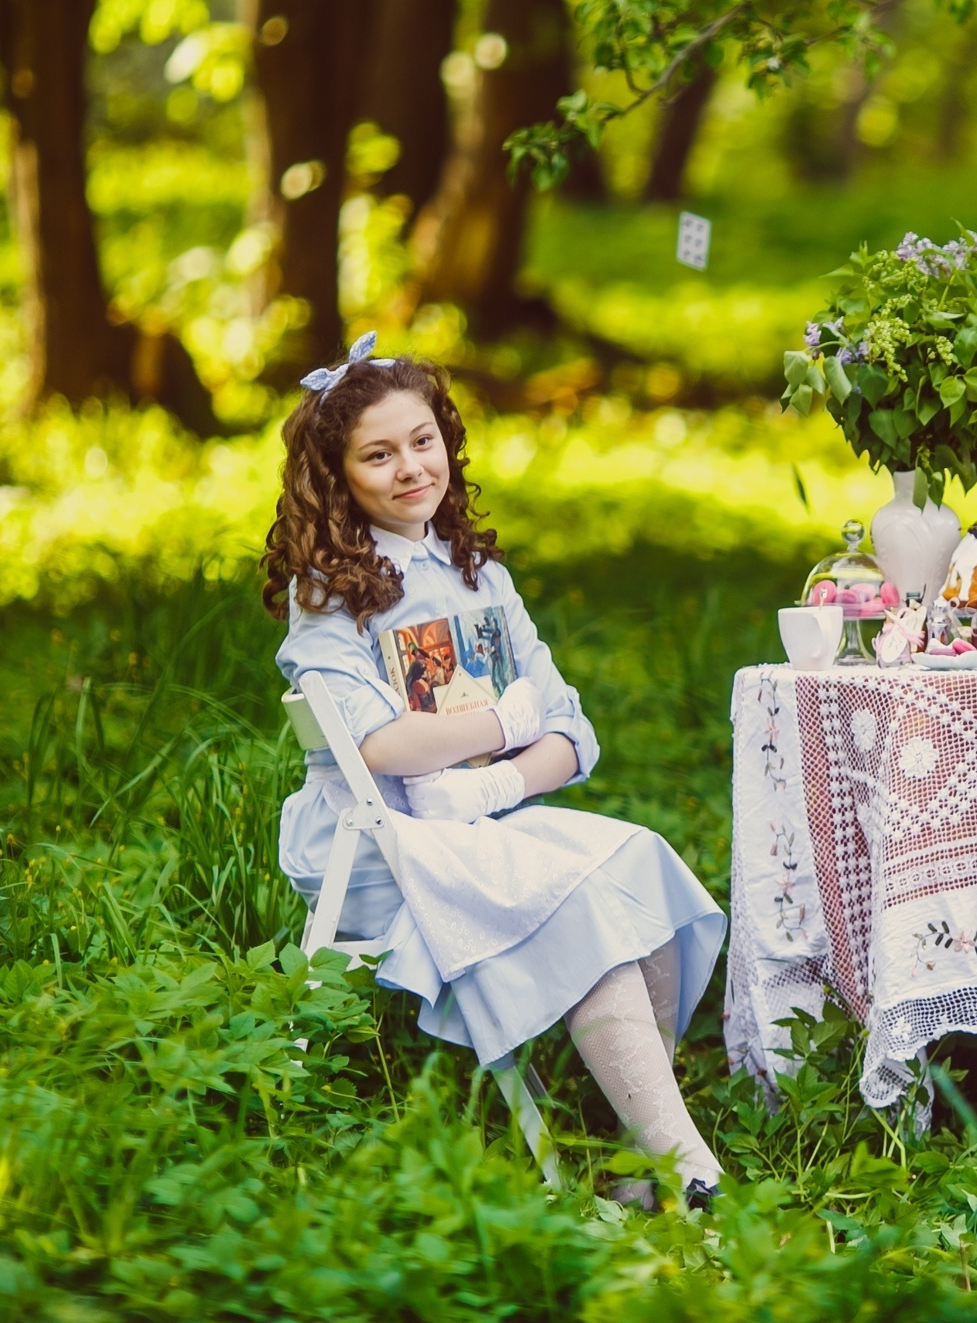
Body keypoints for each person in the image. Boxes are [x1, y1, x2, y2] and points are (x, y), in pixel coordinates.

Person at [263, 334, 726, 1208]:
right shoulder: (332, 589)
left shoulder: (481, 576)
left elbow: (568, 732)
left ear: (447, 437)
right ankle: (690, 1170)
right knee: (582, 894)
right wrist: (498, 722)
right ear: (339, 477)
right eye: (377, 454)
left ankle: (646, 1154)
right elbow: (380, 747)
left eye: (423, 439)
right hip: (382, 843)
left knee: (638, 865)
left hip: (486, 818)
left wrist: (491, 778)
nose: (409, 467)